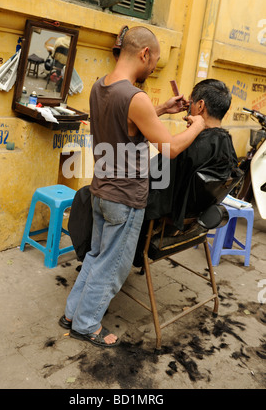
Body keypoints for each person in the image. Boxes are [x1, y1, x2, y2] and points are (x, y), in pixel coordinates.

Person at [59, 26, 206, 347]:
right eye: (155, 62)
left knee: (96, 257)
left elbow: (126, 121)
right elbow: (170, 148)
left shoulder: (101, 86)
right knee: (111, 267)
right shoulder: (135, 97)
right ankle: (86, 325)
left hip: (101, 191)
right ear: (144, 54)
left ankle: (71, 314)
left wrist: (165, 109)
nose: (154, 68)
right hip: (124, 198)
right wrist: (198, 126)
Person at [133, 79, 238, 266]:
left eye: (190, 103)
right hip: (195, 225)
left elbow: (149, 184)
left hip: (162, 223)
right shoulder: (228, 145)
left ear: (200, 105)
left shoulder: (185, 149)